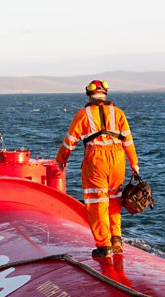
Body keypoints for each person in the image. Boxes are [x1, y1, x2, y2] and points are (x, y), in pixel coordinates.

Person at [56, 80, 139, 258]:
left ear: (89, 94)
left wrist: (61, 159)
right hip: (118, 160)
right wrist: (134, 164)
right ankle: (116, 238)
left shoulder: (83, 115)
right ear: (105, 94)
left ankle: (104, 246)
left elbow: (70, 141)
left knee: (97, 202)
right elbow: (128, 141)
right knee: (115, 199)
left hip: (96, 161)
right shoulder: (118, 113)